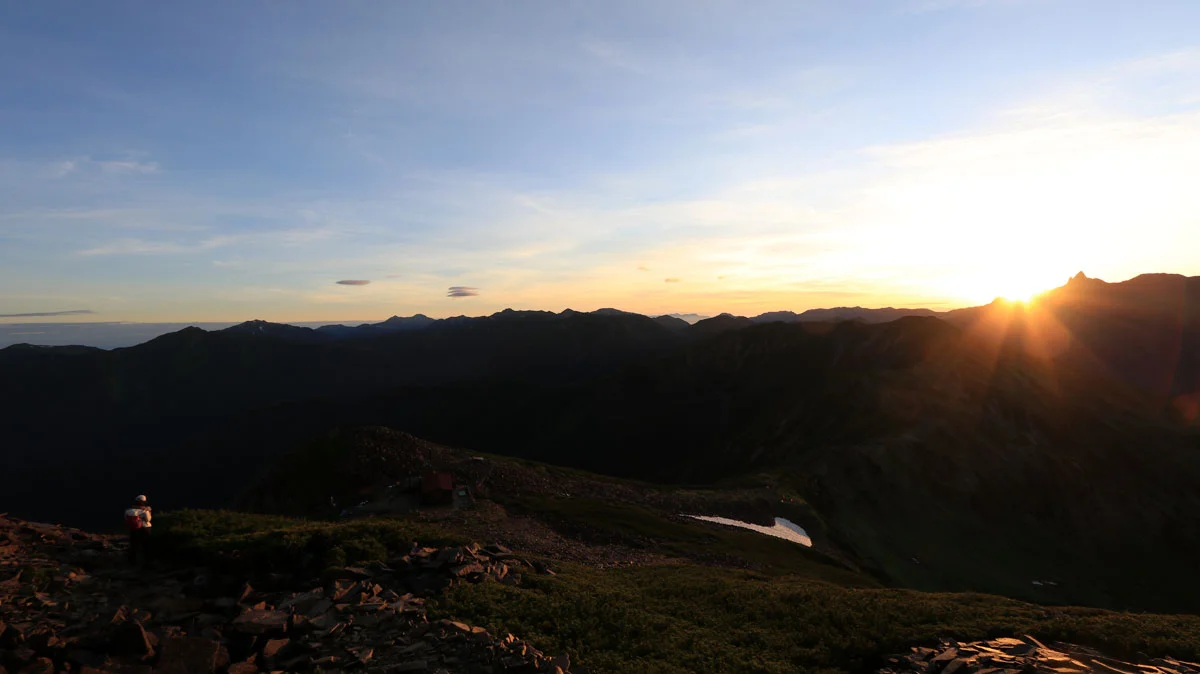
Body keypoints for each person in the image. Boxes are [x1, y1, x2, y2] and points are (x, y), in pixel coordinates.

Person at [124, 495, 152, 566]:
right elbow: (148, 519)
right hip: (145, 529)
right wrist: (149, 512)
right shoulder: (145, 511)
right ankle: (147, 562)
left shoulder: (128, 511)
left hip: (133, 529)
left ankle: (132, 562)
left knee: (133, 545)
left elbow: (126, 519)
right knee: (146, 545)